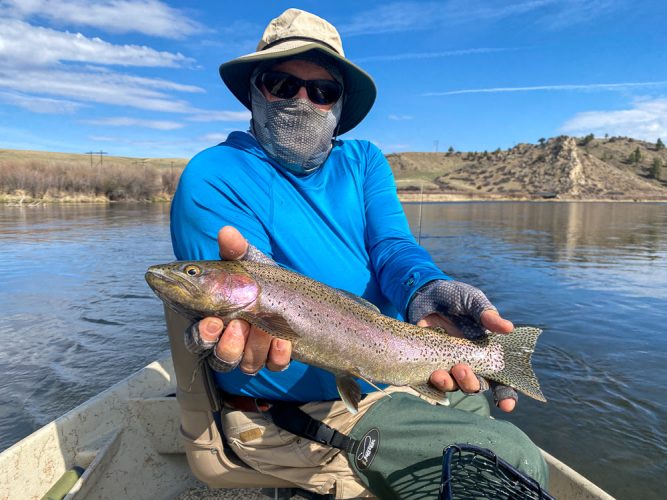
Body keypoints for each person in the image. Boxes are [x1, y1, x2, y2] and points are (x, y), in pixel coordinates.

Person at [170, 8, 548, 499]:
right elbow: (238, 325)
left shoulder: (364, 160)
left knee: (482, 408)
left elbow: (393, 247)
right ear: (253, 91)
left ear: (339, 105)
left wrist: (427, 291)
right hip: (299, 414)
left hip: (395, 366)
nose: (302, 101)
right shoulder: (213, 175)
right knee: (508, 460)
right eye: (281, 84)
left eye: (321, 91)